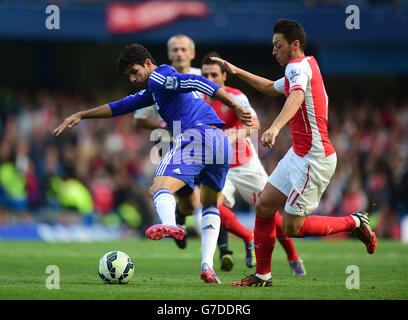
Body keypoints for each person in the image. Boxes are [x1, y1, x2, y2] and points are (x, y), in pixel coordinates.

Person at [53, 43, 253, 284]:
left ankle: (170, 225)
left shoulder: (160, 76)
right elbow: (121, 106)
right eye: (129, 75)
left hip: (195, 136)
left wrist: (235, 105)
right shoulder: (155, 89)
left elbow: (196, 81)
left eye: (134, 71)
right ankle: (207, 267)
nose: (133, 78)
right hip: (219, 142)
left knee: (158, 188)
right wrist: (82, 114)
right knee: (209, 204)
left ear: (148, 63)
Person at [211, 19, 377, 287]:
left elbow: (296, 97)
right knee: (264, 205)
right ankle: (263, 276)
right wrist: (236, 70)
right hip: (298, 154)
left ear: (294, 45)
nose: (273, 51)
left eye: (278, 45)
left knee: (292, 227)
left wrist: (275, 128)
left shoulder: (299, 68)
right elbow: (269, 87)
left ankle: (354, 222)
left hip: (314, 158)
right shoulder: (298, 68)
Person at [132, 34, 236, 271]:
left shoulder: (204, 75)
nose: (179, 53)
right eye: (175, 49)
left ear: (191, 52)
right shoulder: (155, 82)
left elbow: (222, 99)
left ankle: (221, 251)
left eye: (183, 49)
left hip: (202, 139)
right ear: (169, 54)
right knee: (192, 203)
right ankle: (180, 220)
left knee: (207, 198)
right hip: (176, 143)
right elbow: (139, 118)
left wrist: (233, 116)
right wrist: (165, 127)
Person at [201, 52, 305, 276]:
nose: (209, 79)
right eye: (205, 74)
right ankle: (247, 237)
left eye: (214, 75)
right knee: (212, 207)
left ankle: (293, 257)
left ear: (223, 77)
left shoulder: (235, 96)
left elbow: (254, 124)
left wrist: (230, 135)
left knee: (272, 213)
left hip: (247, 165)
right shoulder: (198, 101)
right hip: (221, 168)